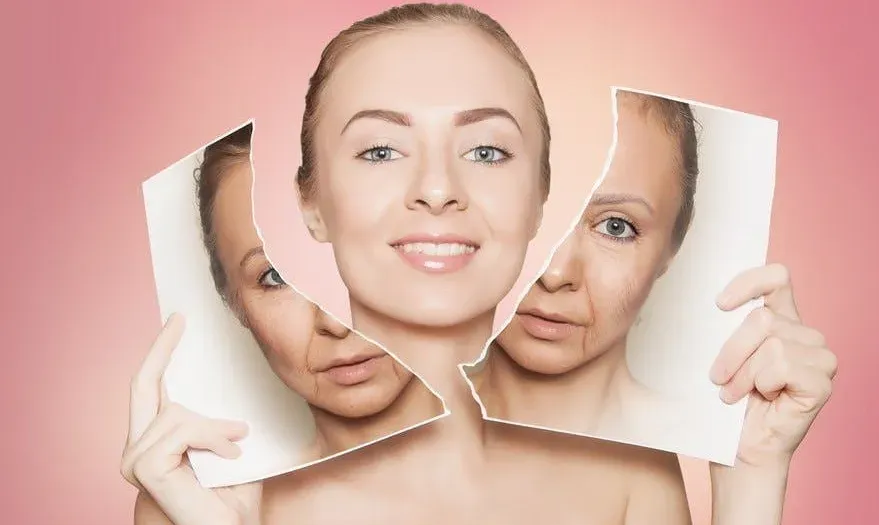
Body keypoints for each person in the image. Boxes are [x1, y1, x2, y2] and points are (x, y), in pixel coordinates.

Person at [123, 4, 837, 525]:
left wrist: (752, 477)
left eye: (487, 150)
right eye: (379, 150)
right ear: (311, 201)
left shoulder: (626, 472)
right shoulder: (214, 498)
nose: (437, 189)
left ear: (541, 196)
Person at [121, 124, 444, 524]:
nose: (334, 321)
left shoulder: (541, 464)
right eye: (276, 277)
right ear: (234, 305)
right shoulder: (193, 509)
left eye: (356, 247)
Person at [467, 91, 735, 444]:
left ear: (675, 242)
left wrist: (760, 467)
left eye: (615, 226)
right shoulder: (394, 424)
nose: (554, 273)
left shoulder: (709, 442)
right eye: (526, 202)